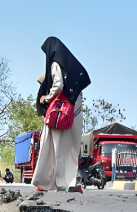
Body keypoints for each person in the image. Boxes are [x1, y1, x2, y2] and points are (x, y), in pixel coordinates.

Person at [32, 37, 91, 193]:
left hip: (57, 113)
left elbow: (58, 85)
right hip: (72, 113)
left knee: (51, 147)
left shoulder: (55, 64)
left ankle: (47, 183)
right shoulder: (70, 67)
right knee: (70, 149)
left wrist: (47, 98)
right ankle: (70, 183)